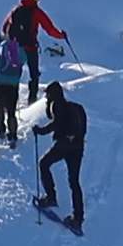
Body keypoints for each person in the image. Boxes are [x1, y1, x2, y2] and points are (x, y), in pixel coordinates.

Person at [33, 80, 88, 230]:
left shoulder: (57, 105)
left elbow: (56, 124)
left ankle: (51, 197)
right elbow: (83, 128)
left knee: (44, 164)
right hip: (78, 146)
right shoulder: (77, 108)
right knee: (74, 181)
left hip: (64, 144)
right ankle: (78, 218)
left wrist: (40, 131)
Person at [0, 27, 27, 144]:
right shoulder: (19, 50)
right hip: (13, 84)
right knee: (11, 110)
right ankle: (13, 134)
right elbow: (24, 60)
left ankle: (1, 128)